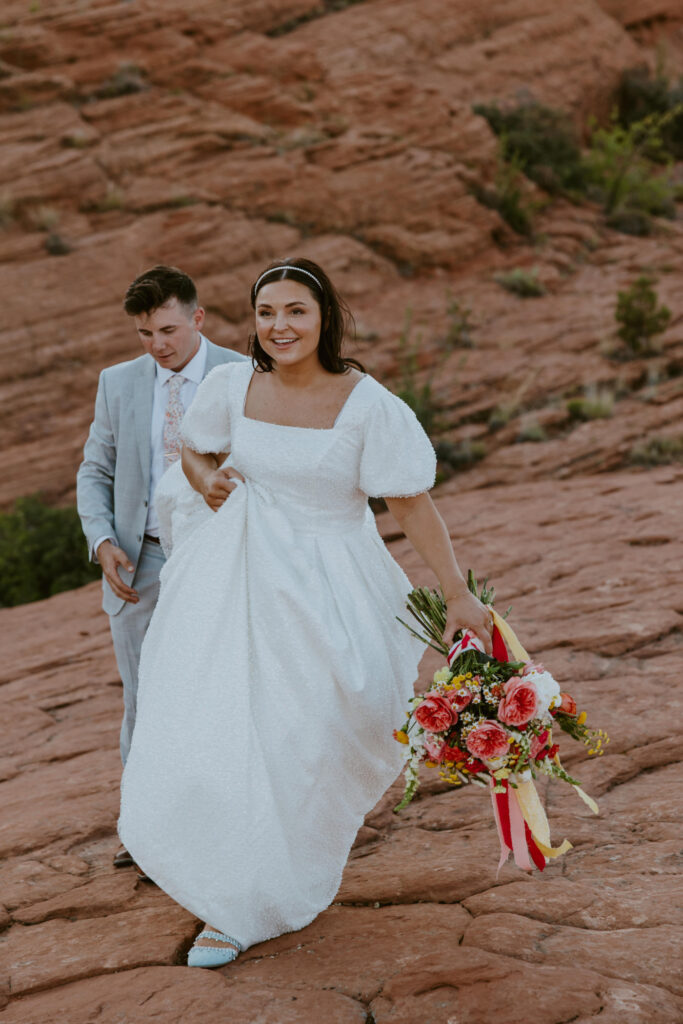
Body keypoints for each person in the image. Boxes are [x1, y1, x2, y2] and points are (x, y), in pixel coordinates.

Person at [118, 257, 492, 967]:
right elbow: (194, 450)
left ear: (323, 317)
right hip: (240, 583)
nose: (279, 326)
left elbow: (408, 501)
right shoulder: (233, 384)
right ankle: (235, 905)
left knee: (309, 739)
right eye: (266, 313)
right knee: (232, 734)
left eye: (295, 311)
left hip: (330, 589)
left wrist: (456, 591)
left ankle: (286, 868)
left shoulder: (366, 403)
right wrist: (210, 482)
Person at [76, 265, 246, 870]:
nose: (157, 345)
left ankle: (229, 826)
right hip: (138, 560)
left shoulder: (242, 374)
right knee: (144, 698)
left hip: (221, 557)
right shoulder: (117, 383)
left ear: (197, 318)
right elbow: (94, 471)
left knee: (223, 690)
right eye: (145, 333)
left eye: (168, 329)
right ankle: (147, 833)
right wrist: (102, 541)